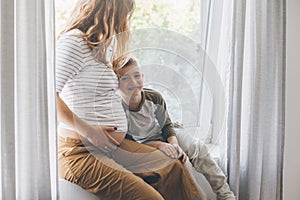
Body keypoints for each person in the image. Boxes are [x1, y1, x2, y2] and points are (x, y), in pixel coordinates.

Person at [56, 0, 203, 200]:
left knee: (172, 167)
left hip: (112, 146)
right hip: (80, 151)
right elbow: (48, 97)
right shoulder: (73, 43)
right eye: (125, 14)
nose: (126, 22)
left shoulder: (102, 46)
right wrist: (89, 131)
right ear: (111, 12)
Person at [117, 57, 236, 200]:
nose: (133, 82)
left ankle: (225, 194)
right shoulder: (117, 109)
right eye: (125, 78)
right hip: (143, 145)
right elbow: (128, 143)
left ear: (142, 76)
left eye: (136, 75)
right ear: (116, 84)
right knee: (182, 165)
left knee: (198, 148)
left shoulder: (154, 97)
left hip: (165, 133)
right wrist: (160, 145)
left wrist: (173, 144)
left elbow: (167, 125)